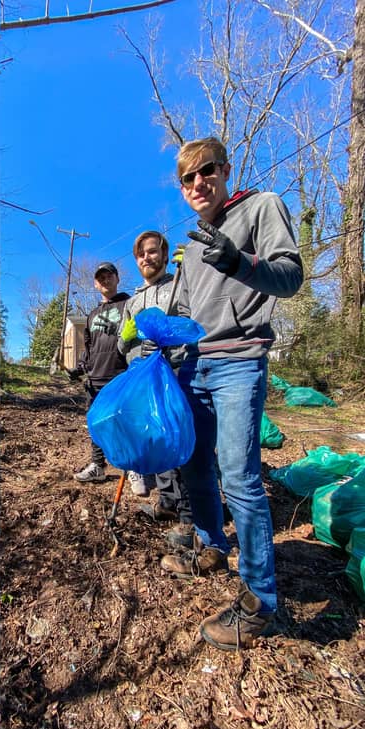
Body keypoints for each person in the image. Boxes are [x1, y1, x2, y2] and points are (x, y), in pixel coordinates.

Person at [160, 136, 303, 651]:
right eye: (187, 178)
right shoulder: (192, 243)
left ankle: (260, 601)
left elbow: (291, 277)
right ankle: (210, 544)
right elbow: (186, 312)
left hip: (240, 360)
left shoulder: (261, 207)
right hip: (197, 363)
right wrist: (159, 332)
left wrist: (240, 262)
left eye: (206, 171)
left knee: (239, 476)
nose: (198, 183)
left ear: (224, 170)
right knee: (195, 465)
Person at [117, 231, 194, 547]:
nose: (146, 258)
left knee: (180, 445)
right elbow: (122, 348)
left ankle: (190, 516)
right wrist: (128, 336)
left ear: (164, 255)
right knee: (155, 443)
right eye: (140, 255)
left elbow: (194, 326)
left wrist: (192, 269)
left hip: (175, 376)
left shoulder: (179, 287)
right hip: (143, 384)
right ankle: (166, 501)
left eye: (152, 252)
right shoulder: (133, 300)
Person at [70, 262, 146, 495]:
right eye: (100, 277)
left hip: (120, 373)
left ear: (117, 278)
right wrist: (80, 368)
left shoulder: (128, 304)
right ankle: (98, 466)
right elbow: (89, 348)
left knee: (125, 421)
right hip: (95, 377)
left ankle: (135, 468)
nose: (105, 280)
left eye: (109, 275)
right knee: (96, 423)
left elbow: (137, 337)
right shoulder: (92, 314)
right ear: (95, 283)